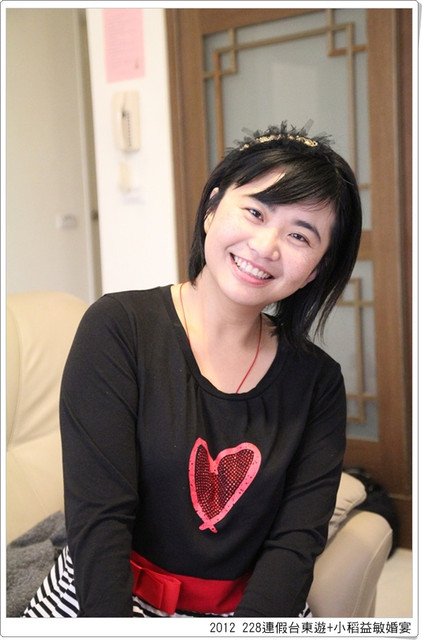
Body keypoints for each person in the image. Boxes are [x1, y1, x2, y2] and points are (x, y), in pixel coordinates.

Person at [23, 122, 362, 618]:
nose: (266, 245)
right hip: (106, 596)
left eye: (298, 235)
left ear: (315, 270)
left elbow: (295, 543)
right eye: (255, 212)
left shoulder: (318, 382)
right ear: (211, 209)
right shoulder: (118, 328)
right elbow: (99, 520)